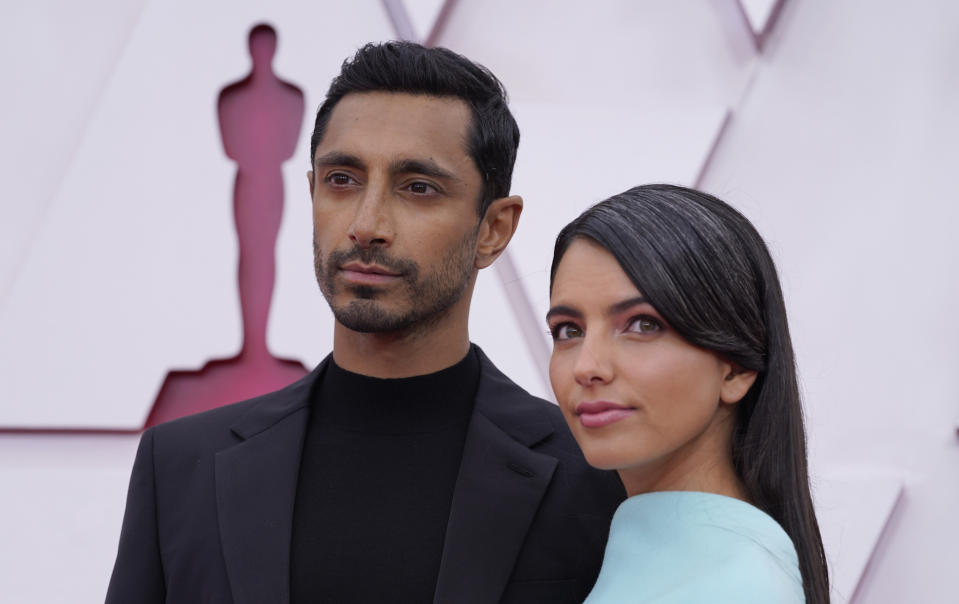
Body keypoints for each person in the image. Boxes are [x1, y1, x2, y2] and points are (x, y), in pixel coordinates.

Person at [105, 41, 625, 604]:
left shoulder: (597, 478)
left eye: (418, 187)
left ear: (494, 229)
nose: (366, 224)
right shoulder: (181, 468)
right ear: (310, 194)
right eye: (342, 180)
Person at [546, 184, 830, 603]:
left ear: (736, 367)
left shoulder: (736, 585)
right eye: (569, 330)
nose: (587, 367)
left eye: (643, 325)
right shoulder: (661, 556)